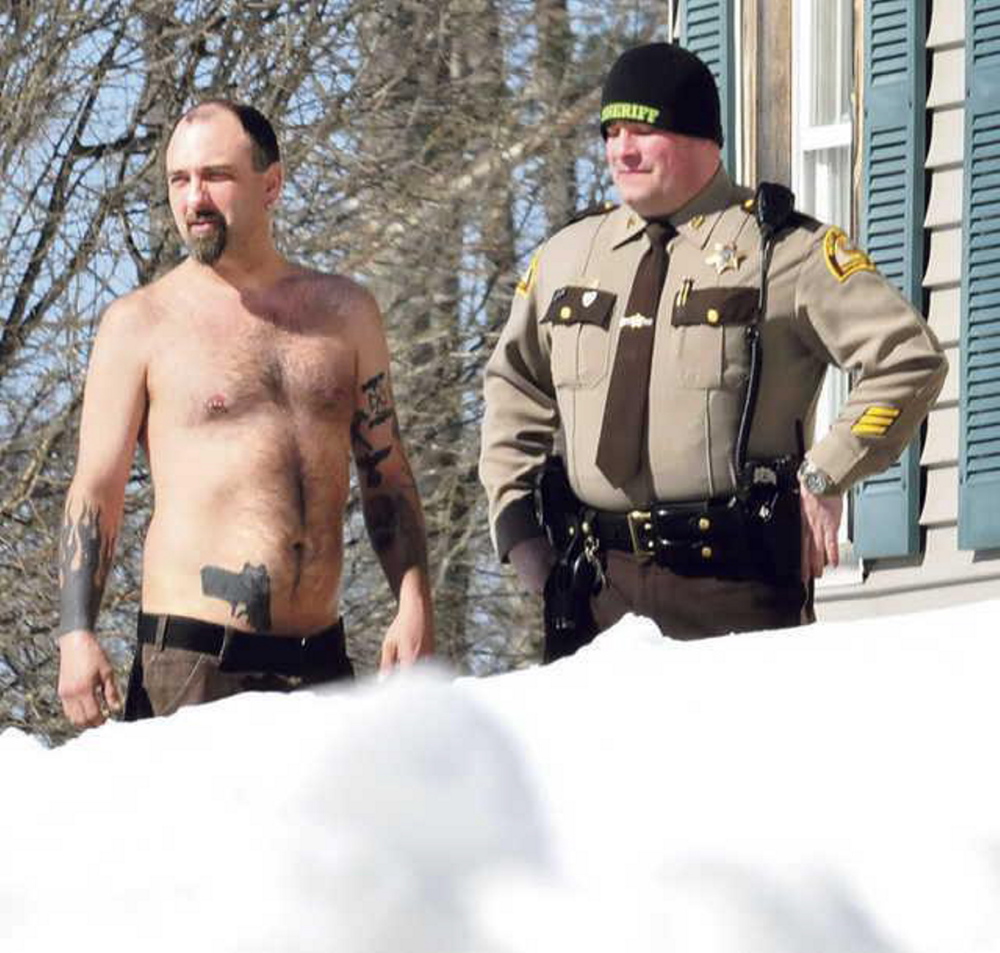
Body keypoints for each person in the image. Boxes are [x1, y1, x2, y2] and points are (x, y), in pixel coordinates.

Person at [479, 42, 947, 661]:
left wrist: (829, 469)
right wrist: (520, 538)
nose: (622, 150)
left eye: (643, 130)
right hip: (595, 590)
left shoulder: (783, 250)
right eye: (611, 132)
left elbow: (909, 358)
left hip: (734, 590)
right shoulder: (568, 257)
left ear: (703, 137)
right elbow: (514, 389)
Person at [56, 100, 434, 728]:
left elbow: (386, 476)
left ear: (272, 184)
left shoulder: (345, 314)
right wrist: (76, 634)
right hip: (196, 664)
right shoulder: (141, 324)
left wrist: (414, 598)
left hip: (320, 661)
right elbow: (97, 492)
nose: (194, 198)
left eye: (215, 176)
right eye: (179, 180)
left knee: (336, 830)